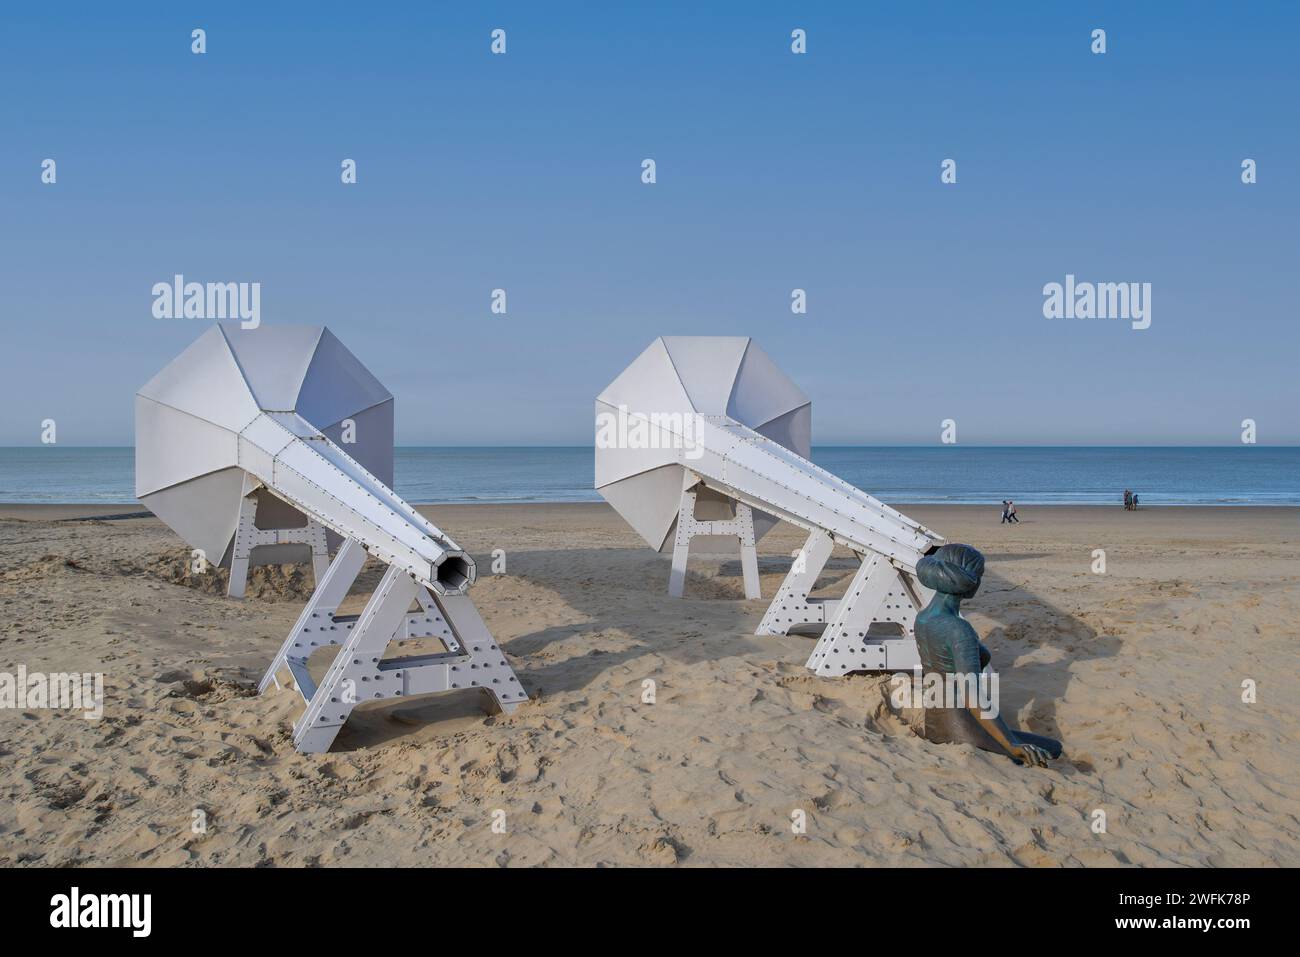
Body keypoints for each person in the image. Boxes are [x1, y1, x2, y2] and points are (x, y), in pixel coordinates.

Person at [913, 544, 1062, 766]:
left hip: (935, 720)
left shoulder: (922, 618)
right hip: (962, 727)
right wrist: (1011, 743)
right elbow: (971, 693)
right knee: (1053, 748)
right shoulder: (957, 628)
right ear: (969, 580)